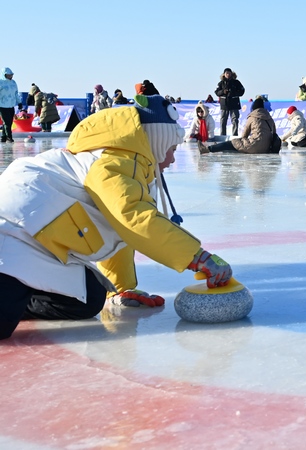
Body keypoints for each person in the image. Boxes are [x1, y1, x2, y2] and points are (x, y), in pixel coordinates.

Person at [0, 94, 234, 340]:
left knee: (88, 300)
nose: (174, 159)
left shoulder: (134, 168)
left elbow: (119, 230)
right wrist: (197, 257)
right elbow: (130, 217)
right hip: (13, 232)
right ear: (156, 142)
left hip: (41, 240)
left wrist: (121, 289)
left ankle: (20, 295)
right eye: (172, 149)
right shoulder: (111, 162)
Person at [199, 96, 275, 154]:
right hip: (266, 148)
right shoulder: (269, 118)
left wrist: (242, 141)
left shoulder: (252, 117)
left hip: (254, 146)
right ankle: (217, 147)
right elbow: (274, 133)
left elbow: (244, 135)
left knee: (233, 143)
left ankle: (207, 149)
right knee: (239, 145)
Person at [214, 68, 245, 138]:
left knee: (235, 120)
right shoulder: (221, 83)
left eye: (229, 73)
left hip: (234, 104)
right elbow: (216, 92)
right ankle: (222, 135)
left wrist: (234, 93)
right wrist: (223, 92)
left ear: (231, 74)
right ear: (224, 74)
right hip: (224, 104)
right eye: (226, 73)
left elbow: (242, 91)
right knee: (223, 120)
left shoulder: (236, 82)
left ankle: (235, 135)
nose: (228, 74)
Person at [0, 67, 22, 143]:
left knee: (9, 122)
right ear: (4, 75)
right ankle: (9, 137)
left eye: (11, 75)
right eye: (8, 75)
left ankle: (3, 137)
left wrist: (19, 102)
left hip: (11, 105)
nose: (10, 76)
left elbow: (16, 93)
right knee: (7, 122)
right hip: (2, 105)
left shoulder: (13, 82)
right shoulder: (0, 82)